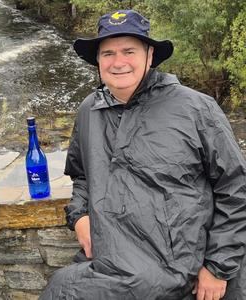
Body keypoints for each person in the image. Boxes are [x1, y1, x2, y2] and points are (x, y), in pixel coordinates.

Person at [40, 10, 246, 300]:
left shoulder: (197, 109)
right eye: (108, 53)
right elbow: (82, 175)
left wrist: (217, 266)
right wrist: (80, 216)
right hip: (110, 258)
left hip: (182, 268)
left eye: (129, 51)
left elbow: (236, 188)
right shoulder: (89, 110)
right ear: (97, 61)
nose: (118, 62)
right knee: (59, 290)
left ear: (150, 55)